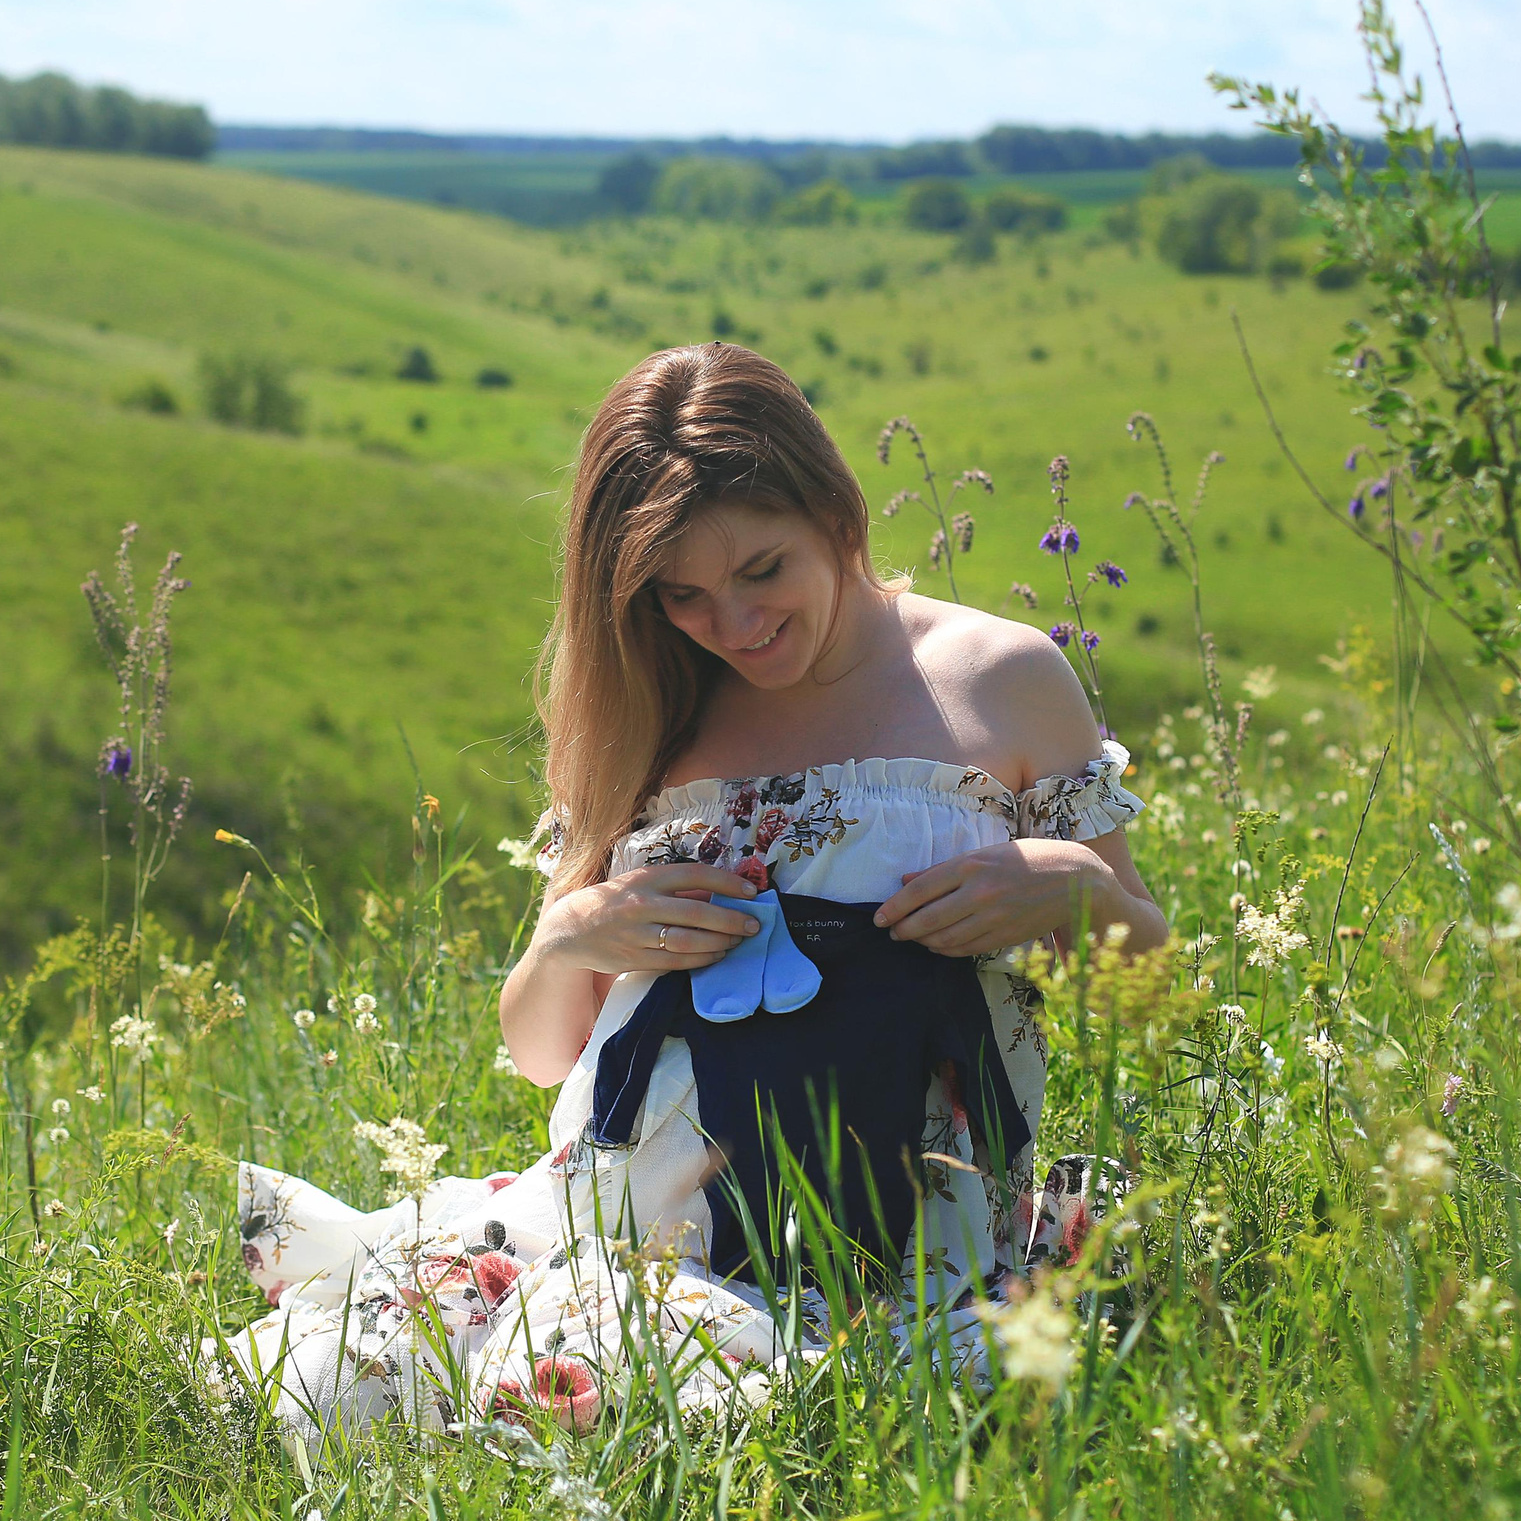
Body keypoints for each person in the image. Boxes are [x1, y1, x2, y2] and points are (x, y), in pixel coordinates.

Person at [218, 343, 1164, 1445]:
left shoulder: (997, 679)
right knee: (419, 1392)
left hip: (916, 1220)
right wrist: (571, 936)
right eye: (683, 594)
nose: (734, 623)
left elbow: (1148, 970)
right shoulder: (646, 711)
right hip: (642, 1222)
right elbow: (542, 1053)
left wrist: (1071, 889)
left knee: (900, 1421)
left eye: (763, 568)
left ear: (834, 510)